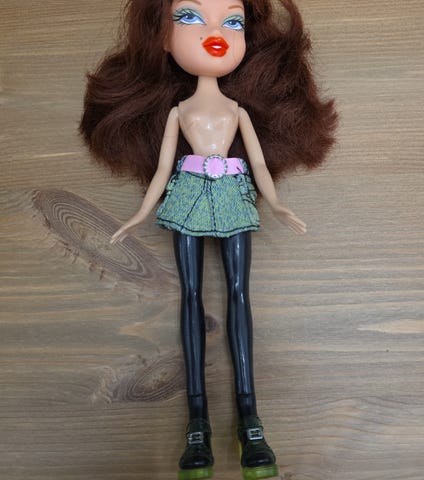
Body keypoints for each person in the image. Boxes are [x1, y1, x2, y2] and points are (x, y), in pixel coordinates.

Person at [80, 1, 337, 479]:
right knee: (191, 294)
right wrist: (141, 212)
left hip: (235, 193)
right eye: (190, 17)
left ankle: (250, 418)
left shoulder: (238, 111)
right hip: (187, 193)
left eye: (232, 21)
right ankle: (196, 421)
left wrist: (276, 203)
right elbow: (163, 168)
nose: (215, 32)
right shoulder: (178, 112)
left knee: (240, 293)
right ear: (162, 38)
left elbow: (257, 163)